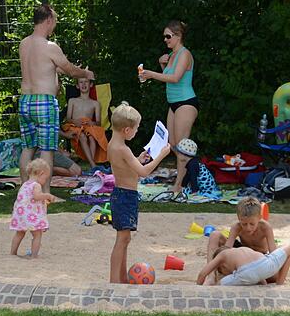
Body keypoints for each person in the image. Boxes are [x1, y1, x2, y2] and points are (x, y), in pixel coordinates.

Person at [18, 4, 94, 193]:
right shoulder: (50, 46)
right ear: (49, 20)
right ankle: (45, 193)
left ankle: (24, 192)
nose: (55, 26)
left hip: (25, 101)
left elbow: (43, 67)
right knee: (46, 150)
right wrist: (86, 72)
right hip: (44, 102)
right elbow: (69, 70)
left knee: (28, 148)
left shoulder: (24, 43)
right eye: (55, 21)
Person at [107, 102, 171, 283]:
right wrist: (161, 156)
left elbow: (126, 167)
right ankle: (114, 281)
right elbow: (143, 172)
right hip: (126, 197)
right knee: (122, 240)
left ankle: (120, 278)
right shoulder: (123, 149)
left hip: (121, 195)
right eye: (136, 128)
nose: (136, 132)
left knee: (124, 239)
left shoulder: (113, 145)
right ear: (126, 130)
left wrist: (138, 158)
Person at [139, 20, 198, 193]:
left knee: (181, 147)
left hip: (186, 103)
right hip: (173, 104)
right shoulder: (172, 55)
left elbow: (175, 78)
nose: (165, 40)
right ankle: (186, 178)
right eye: (164, 36)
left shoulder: (185, 54)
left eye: (168, 36)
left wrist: (151, 74)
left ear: (178, 36)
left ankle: (179, 185)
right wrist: (162, 65)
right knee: (171, 145)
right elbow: (168, 75)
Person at [204, 196, 276, 284]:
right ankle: (211, 276)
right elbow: (226, 250)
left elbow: (274, 254)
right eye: (244, 224)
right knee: (214, 235)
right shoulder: (236, 227)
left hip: (259, 257)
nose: (248, 228)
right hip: (241, 254)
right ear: (239, 218)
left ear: (259, 218)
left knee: (274, 276)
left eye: (252, 224)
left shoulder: (265, 227)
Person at [10, 158, 57, 258]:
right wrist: (47, 196)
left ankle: (13, 253)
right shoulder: (36, 185)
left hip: (21, 214)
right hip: (30, 215)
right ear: (41, 173)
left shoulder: (25, 184)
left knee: (19, 233)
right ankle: (34, 255)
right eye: (45, 178)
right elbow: (37, 196)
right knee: (37, 234)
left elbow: (29, 198)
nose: (44, 181)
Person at [61, 77, 109, 169]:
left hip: (88, 126)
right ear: (77, 86)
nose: (83, 84)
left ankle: (92, 165)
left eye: (86, 82)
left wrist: (92, 122)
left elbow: (98, 123)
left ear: (90, 85)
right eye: (81, 82)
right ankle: (93, 165)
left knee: (92, 137)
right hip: (74, 126)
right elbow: (68, 118)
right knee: (82, 136)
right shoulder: (72, 101)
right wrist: (75, 121)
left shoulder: (95, 103)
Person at [197, 245, 290, 286]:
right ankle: (280, 284)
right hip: (266, 265)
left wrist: (197, 286)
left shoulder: (222, 255)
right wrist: (263, 283)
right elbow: (258, 272)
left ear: (221, 266)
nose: (227, 274)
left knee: (219, 285)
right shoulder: (243, 249)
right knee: (289, 248)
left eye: (222, 272)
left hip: (245, 273)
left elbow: (203, 273)